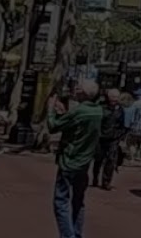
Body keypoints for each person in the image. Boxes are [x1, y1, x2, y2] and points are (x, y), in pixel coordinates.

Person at [47, 78, 102, 238]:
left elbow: (53, 126)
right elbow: (75, 126)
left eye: (77, 89)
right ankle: (77, 234)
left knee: (61, 201)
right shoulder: (97, 111)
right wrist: (63, 114)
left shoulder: (79, 111)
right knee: (78, 201)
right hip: (85, 162)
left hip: (70, 160)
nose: (75, 91)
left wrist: (51, 110)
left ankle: (68, 236)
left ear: (83, 93)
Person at [92, 88, 126, 190]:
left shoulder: (120, 109)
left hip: (113, 138)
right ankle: (95, 178)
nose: (114, 100)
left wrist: (120, 135)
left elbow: (121, 124)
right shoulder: (101, 107)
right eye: (112, 98)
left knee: (111, 160)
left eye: (116, 98)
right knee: (98, 159)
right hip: (101, 138)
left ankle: (106, 182)